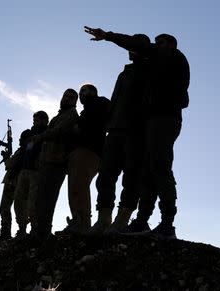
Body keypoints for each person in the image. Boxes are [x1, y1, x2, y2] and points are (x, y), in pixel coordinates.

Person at [85, 27, 190, 238]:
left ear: (171, 45)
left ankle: (159, 223)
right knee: (135, 172)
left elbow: (179, 97)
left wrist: (108, 36)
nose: (156, 45)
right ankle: (133, 221)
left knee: (152, 170)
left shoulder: (168, 59)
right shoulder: (133, 71)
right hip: (133, 126)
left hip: (153, 124)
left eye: (160, 42)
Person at [89, 34, 150, 235]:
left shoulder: (150, 70)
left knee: (132, 176)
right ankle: (103, 220)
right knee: (105, 174)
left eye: (133, 45)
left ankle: (123, 219)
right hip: (114, 129)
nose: (129, 49)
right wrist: (108, 124)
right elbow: (116, 100)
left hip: (136, 131)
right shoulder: (124, 73)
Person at [31, 89, 79, 240]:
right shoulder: (59, 115)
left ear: (75, 102)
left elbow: (59, 131)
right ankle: (39, 232)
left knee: (48, 199)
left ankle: (43, 233)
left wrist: (41, 136)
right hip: (47, 161)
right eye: (66, 96)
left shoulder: (71, 115)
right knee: (41, 198)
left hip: (56, 162)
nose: (67, 99)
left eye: (72, 97)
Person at [62, 84, 110, 234]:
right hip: (80, 152)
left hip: (90, 151)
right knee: (75, 188)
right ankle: (78, 221)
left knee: (79, 187)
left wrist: (81, 126)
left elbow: (100, 120)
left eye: (85, 90)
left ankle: (82, 225)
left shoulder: (100, 103)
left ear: (94, 92)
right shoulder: (86, 110)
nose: (82, 94)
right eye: (81, 92)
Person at [13, 111, 49, 236]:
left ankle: (35, 228)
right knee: (18, 201)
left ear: (44, 121)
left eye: (37, 120)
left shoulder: (46, 134)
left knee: (33, 202)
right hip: (24, 170)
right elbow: (22, 150)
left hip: (36, 172)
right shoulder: (29, 134)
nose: (35, 123)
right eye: (34, 121)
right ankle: (22, 228)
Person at [0, 129, 33, 239]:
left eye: (21, 138)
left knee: (5, 207)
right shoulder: (27, 150)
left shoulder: (22, 151)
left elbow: (9, 164)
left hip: (12, 182)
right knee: (19, 207)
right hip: (17, 181)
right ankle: (19, 230)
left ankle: (6, 231)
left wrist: (6, 157)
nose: (19, 140)